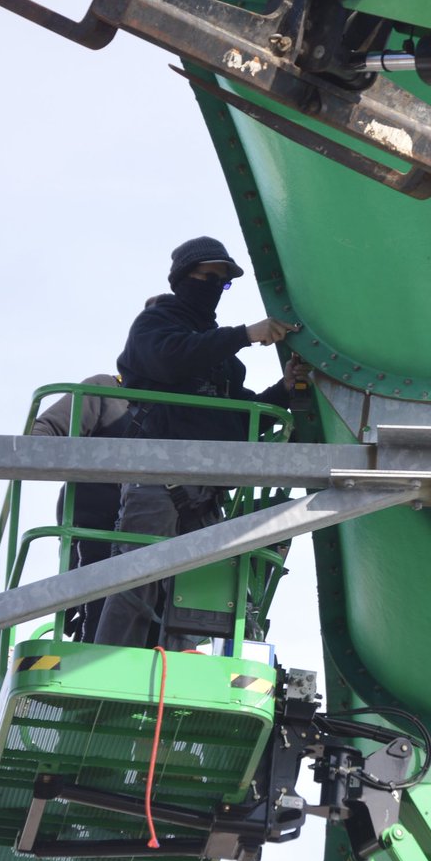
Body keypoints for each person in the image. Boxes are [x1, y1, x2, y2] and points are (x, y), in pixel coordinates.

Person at [94, 236, 304, 650]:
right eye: (208, 276)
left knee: (201, 587)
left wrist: (283, 390)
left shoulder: (221, 357)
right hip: (156, 478)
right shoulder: (155, 325)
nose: (215, 286)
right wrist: (244, 334)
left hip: (203, 491)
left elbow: (242, 416)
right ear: (182, 278)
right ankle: (107, 660)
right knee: (136, 577)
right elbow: (172, 360)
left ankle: (184, 660)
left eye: (223, 281)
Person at [32, 373, 130, 641]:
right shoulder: (107, 391)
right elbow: (43, 434)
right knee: (100, 619)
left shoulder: (190, 402)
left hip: (165, 535)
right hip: (98, 526)